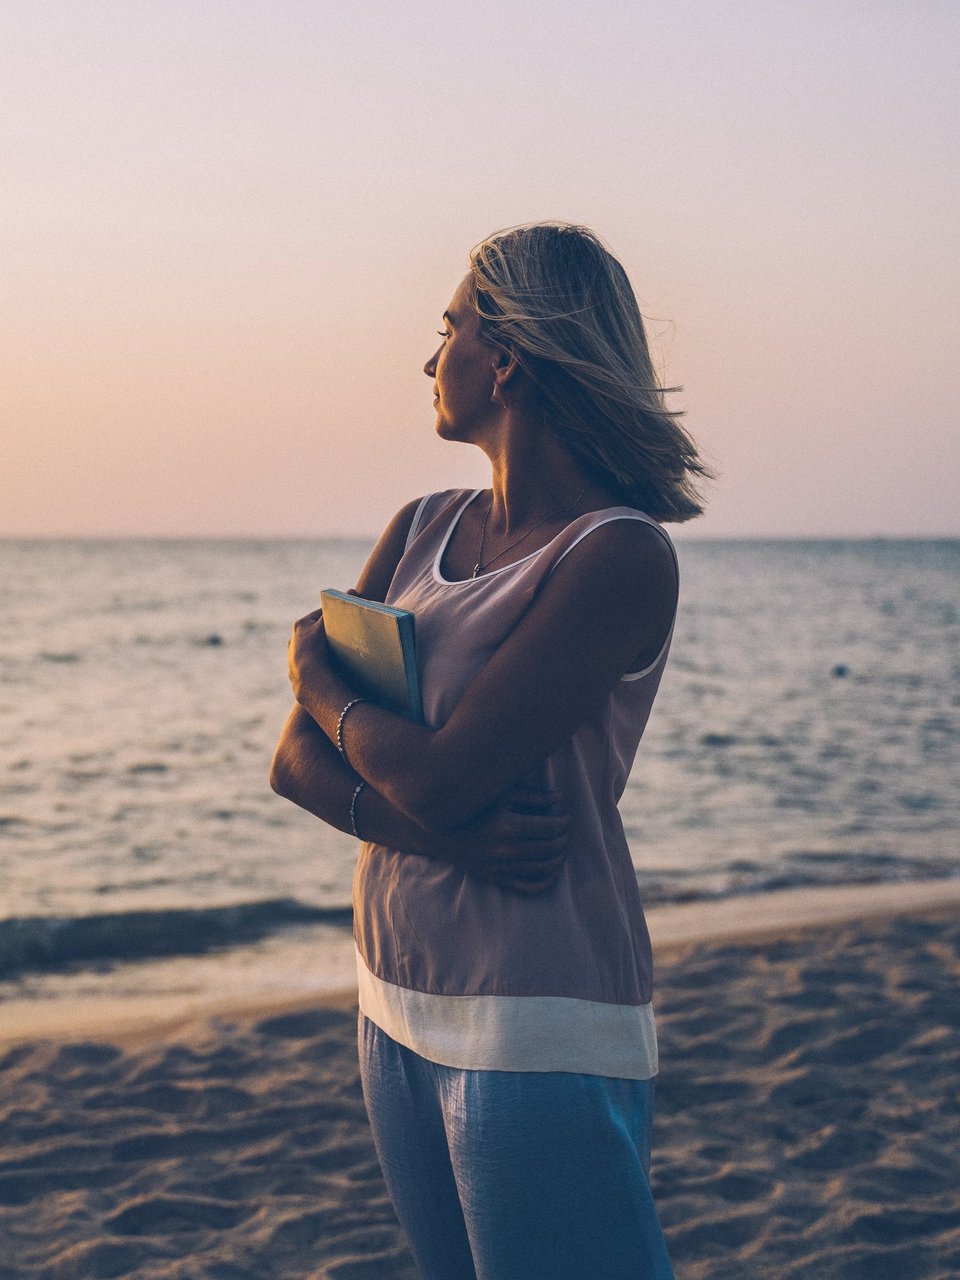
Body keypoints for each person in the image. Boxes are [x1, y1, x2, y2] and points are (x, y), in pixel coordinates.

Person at [269, 221, 707, 1279]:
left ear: (505, 356)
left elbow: (441, 770)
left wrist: (316, 673)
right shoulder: (420, 525)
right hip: (392, 987)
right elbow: (293, 764)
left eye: (450, 327)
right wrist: (447, 841)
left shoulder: (617, 556)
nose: (431, 359)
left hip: (534, 1012)